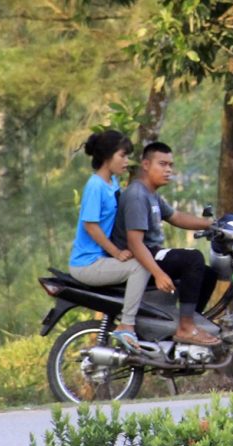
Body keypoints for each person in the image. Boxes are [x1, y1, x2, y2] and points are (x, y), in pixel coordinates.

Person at [111, 141, 220, 347]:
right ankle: (185, 328)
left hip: (152, 253)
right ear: (145, 165)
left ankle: (188, 323)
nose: (168, 170)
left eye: (170, 165)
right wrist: (159, 274)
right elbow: (135, 243)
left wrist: (213, 224)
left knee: (209, 274)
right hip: (141, 257)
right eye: (162, 164)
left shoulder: (151, 194)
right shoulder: (136, 195)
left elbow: (176, 216)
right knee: (192, 258)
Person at [68, 130, 150, 350]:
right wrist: (116, 252)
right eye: (122, 156)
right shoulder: (95, 186)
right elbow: (90, 226)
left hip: (101, 259)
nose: (126, 161)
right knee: (139, 268)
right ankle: (127, 325)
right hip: (88, 263)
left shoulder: (112, 182)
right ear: (107, 157)